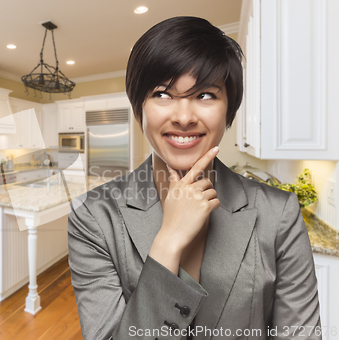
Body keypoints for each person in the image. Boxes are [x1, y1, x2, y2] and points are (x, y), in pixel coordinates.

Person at [67, 16, 321, 340]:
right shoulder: (92, 216)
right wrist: (169, 240)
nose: (184, 117)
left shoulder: (279, 213)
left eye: (205, 95)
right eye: (162, 94)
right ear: (139, 108)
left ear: (229, 110)